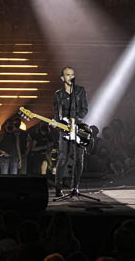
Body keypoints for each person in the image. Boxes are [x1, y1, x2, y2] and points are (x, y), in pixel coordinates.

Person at [52, 66, 88, 197]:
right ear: (62, 78)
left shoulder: (80, 91)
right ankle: (58, 187)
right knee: (62, 157)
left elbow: (85, 109)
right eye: (67, 75)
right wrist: (56, 122)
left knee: (79, 158)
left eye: (72, 74)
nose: (70, 77)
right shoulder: (58, 94)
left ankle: (75, 187)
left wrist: (75, 119)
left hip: (78, 127)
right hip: (64, 129)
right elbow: (57, 113)